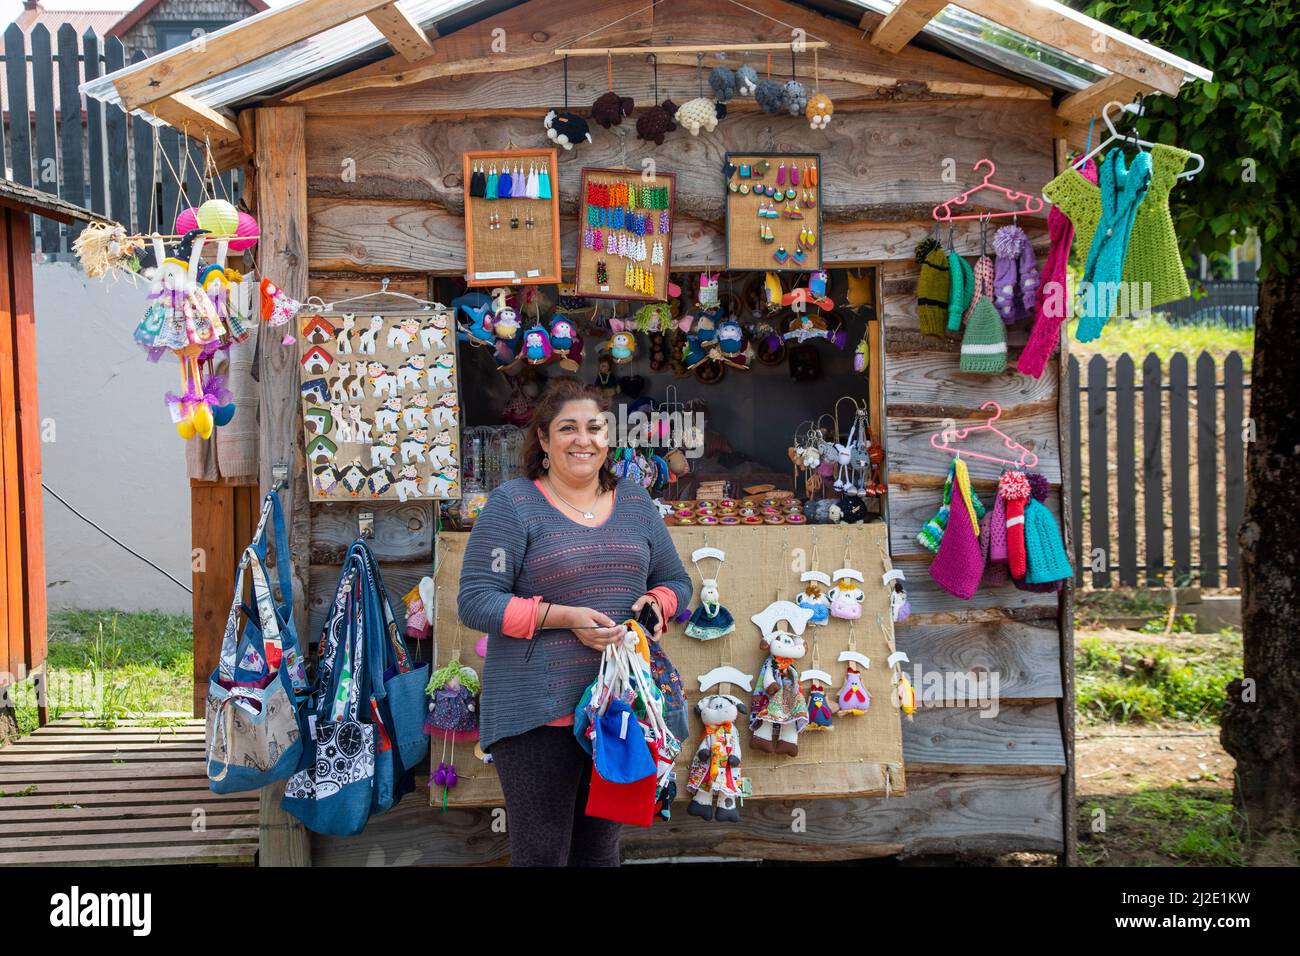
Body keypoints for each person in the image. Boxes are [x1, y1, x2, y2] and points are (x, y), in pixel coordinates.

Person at [457, 379, 692, 866]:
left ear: (608, 438)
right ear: (543, 439)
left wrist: (657, 601)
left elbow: (675, 580)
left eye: (594, 427)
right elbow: (477, 600)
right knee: (543, 852)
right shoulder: (513, 505)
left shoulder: (634, 502)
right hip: (536, 713)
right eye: (568, 428)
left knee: (599, 852)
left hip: (616, 707)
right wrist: (563, 618)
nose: (583, 439)